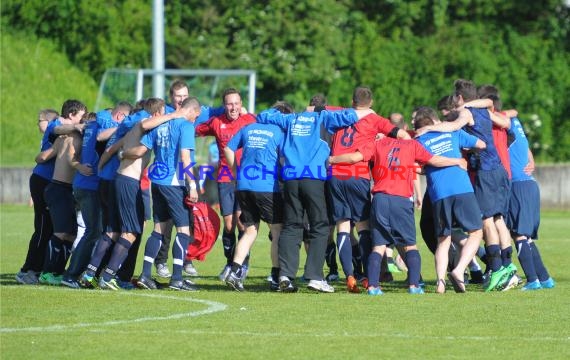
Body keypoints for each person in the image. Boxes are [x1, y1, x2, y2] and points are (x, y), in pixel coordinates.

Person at [256, 94, 374, 293]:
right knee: (320, 226)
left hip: (291, 178)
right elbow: (350, 116)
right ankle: (315, 277)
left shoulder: (291, 118)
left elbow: (263, 115)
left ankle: (286, 275)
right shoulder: (323, 117)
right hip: (313, 177)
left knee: (291, 226)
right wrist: (322, 112)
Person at [329, 131, 468, 295]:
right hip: (401, 199)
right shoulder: (412, 145)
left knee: (379, 246)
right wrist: (456, 161)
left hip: (379, 199)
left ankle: (373, 286)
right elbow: (434, 160)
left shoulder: (378, 144)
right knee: (410, 245)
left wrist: (332, 159)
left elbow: (355, 157)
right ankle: (414, 285)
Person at [415, 79, 515, 292]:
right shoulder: (485, 110)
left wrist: (427, 131)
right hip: (496, 168)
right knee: (498, 220)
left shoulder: (464, 116)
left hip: (480, 174)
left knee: (484, 222)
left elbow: (453, 126)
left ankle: (493, 269)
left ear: (459, 98)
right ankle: (506, 266)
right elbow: (499, 123)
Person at [328, 87, 410, 293]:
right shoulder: (376, 120)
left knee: (343, 227)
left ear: (352, 100)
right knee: (364, 227)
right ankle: (365, 275)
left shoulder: (340, 114)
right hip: (358, 176)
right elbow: (403, 135)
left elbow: (313, 108)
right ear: (371, 102)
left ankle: (349, 275)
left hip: (335, 176)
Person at [154, 80, 225, 278]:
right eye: (178, 96)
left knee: (191, 219)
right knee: (166, 221)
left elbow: (217, 111)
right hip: (168, 176)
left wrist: (241, 109)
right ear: (171, 98)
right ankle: (161, 262)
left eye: (185, 96)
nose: (182, 99)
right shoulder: (164, 113)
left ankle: (187, 259)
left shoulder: (195, 111)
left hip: (186, 173)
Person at [132, 97, 202, 291]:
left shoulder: (161, 124)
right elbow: (185, 158)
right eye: (196, 116)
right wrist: (193, 185)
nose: (195, 120)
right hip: (174, 182)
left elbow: (144, 146)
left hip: (158, 182)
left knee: (158, 230)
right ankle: (177, 279)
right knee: (183, 231)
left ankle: (145, 275)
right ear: (192, 111)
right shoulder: (186, 126)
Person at [414, 107, 486, 293]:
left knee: (443, 240)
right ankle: (460, 270)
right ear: (435, 121)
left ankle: (440, 284)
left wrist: (428, 168)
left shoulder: (419, 141)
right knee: (476, 232)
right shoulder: (454, 132)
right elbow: (481, 144)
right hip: (461, 188)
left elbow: (414, 166)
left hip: (438, 193)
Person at [222, 101, 288, 291]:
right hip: (267, 187)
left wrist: (236, 172)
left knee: (250, 231)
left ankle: (234, 272)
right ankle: (276, 276)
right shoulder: (278, 133)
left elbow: (228, 148)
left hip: (244, 184)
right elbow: (285, 159)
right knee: (276, 231)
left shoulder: (248, 128)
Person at [195, 88, 256, 281]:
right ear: (224, 105)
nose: (234, 107)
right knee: (228, 224)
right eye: (230, 103)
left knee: (241, 221)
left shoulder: (249, 121)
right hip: (224, 177)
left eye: (236, 103)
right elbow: (195, 130)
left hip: (244, 179)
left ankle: (240, 265)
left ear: (241, 104)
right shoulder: (216, 122)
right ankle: (230, 263)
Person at [38, 100, 87, 285]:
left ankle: (57, 272)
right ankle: (47, 272)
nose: (83, 120)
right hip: (59, 188)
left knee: (71, 233)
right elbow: (70, 158)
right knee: (61, 232)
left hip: (60, 189)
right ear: (73, 117)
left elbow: (43, 156)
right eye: (82, 116)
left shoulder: (62, 138)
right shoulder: (73, 137)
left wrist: (42, 158)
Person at [506, 113, 555, 290]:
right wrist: (531, 159)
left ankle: (532, 280)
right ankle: (545, 278)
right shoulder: (515, 123)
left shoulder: (504, 123)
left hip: (519, 186)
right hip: (530, 185)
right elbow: (525, 147)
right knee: (525, 237)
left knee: (518, 234)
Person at [15, 108, 60, 284]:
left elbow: (41, 158)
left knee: (48, 228)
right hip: (43, 181)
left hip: (45, 182)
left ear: (49, 121)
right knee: (43, 228)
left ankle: (37, 269)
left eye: (39, 120)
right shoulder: (52, 133)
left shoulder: (54, 127)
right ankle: (27, 270)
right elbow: (41, 159)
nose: (37, 124)